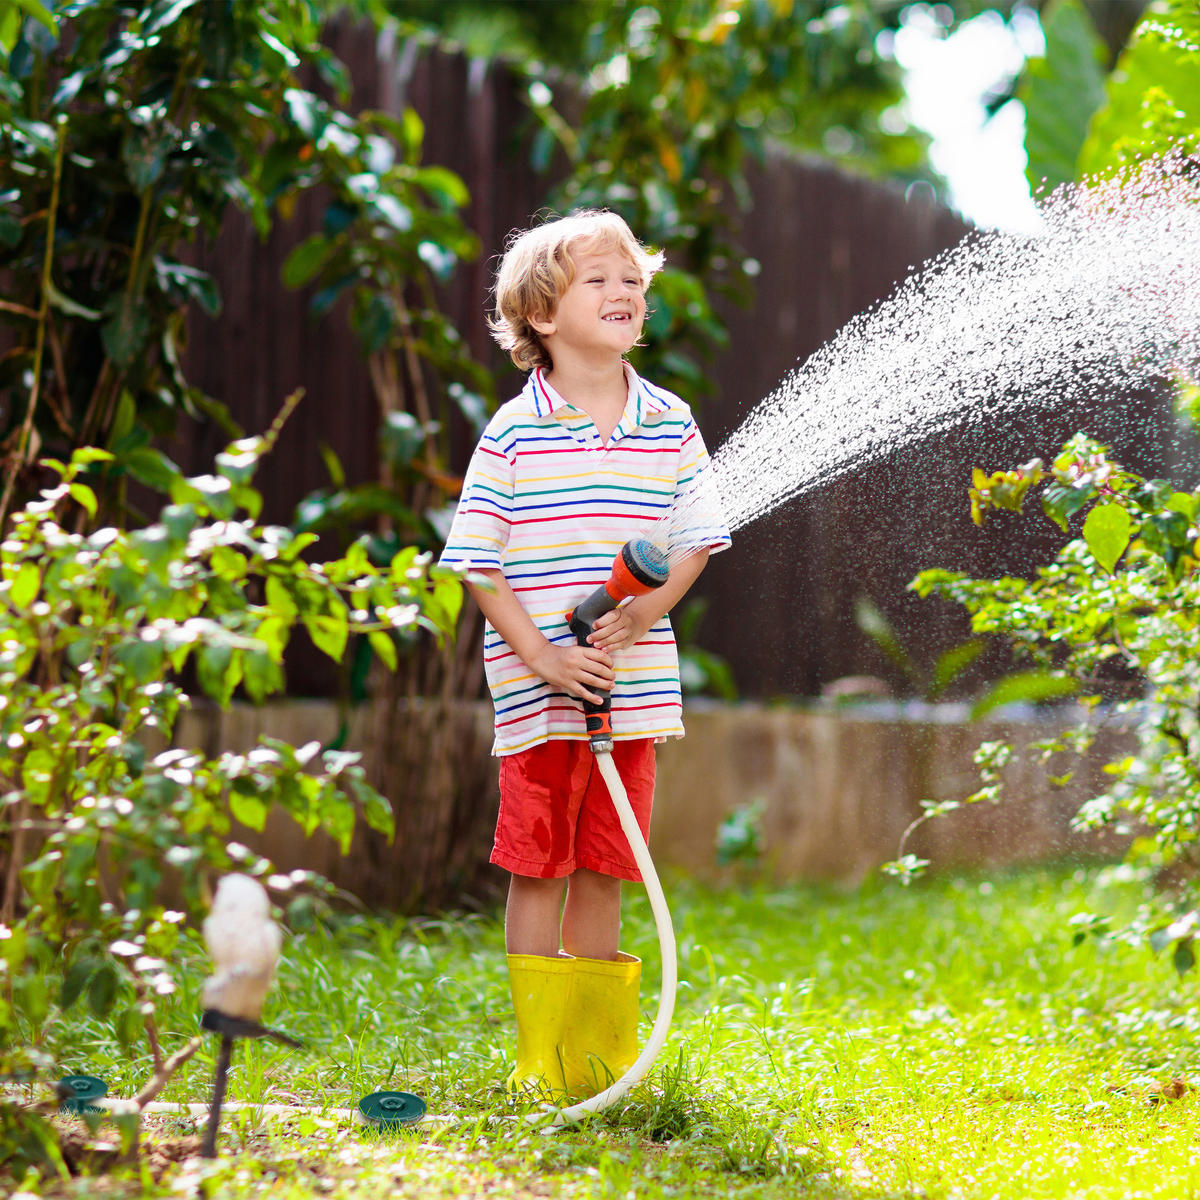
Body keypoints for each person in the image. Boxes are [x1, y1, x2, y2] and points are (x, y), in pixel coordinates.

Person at [439, 210, 730, 1097]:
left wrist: (646, 617)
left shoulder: (669, 421)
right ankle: (542, 1061)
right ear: (539, 315)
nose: (623, 293)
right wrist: (544, 660)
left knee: (607, 862)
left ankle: (592, 1064)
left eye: (633, 281)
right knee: (541, 863)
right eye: (598, 280)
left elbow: (694, 542)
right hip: (540, 696)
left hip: (632, 691)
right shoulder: (514, 431)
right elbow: (478, 568)